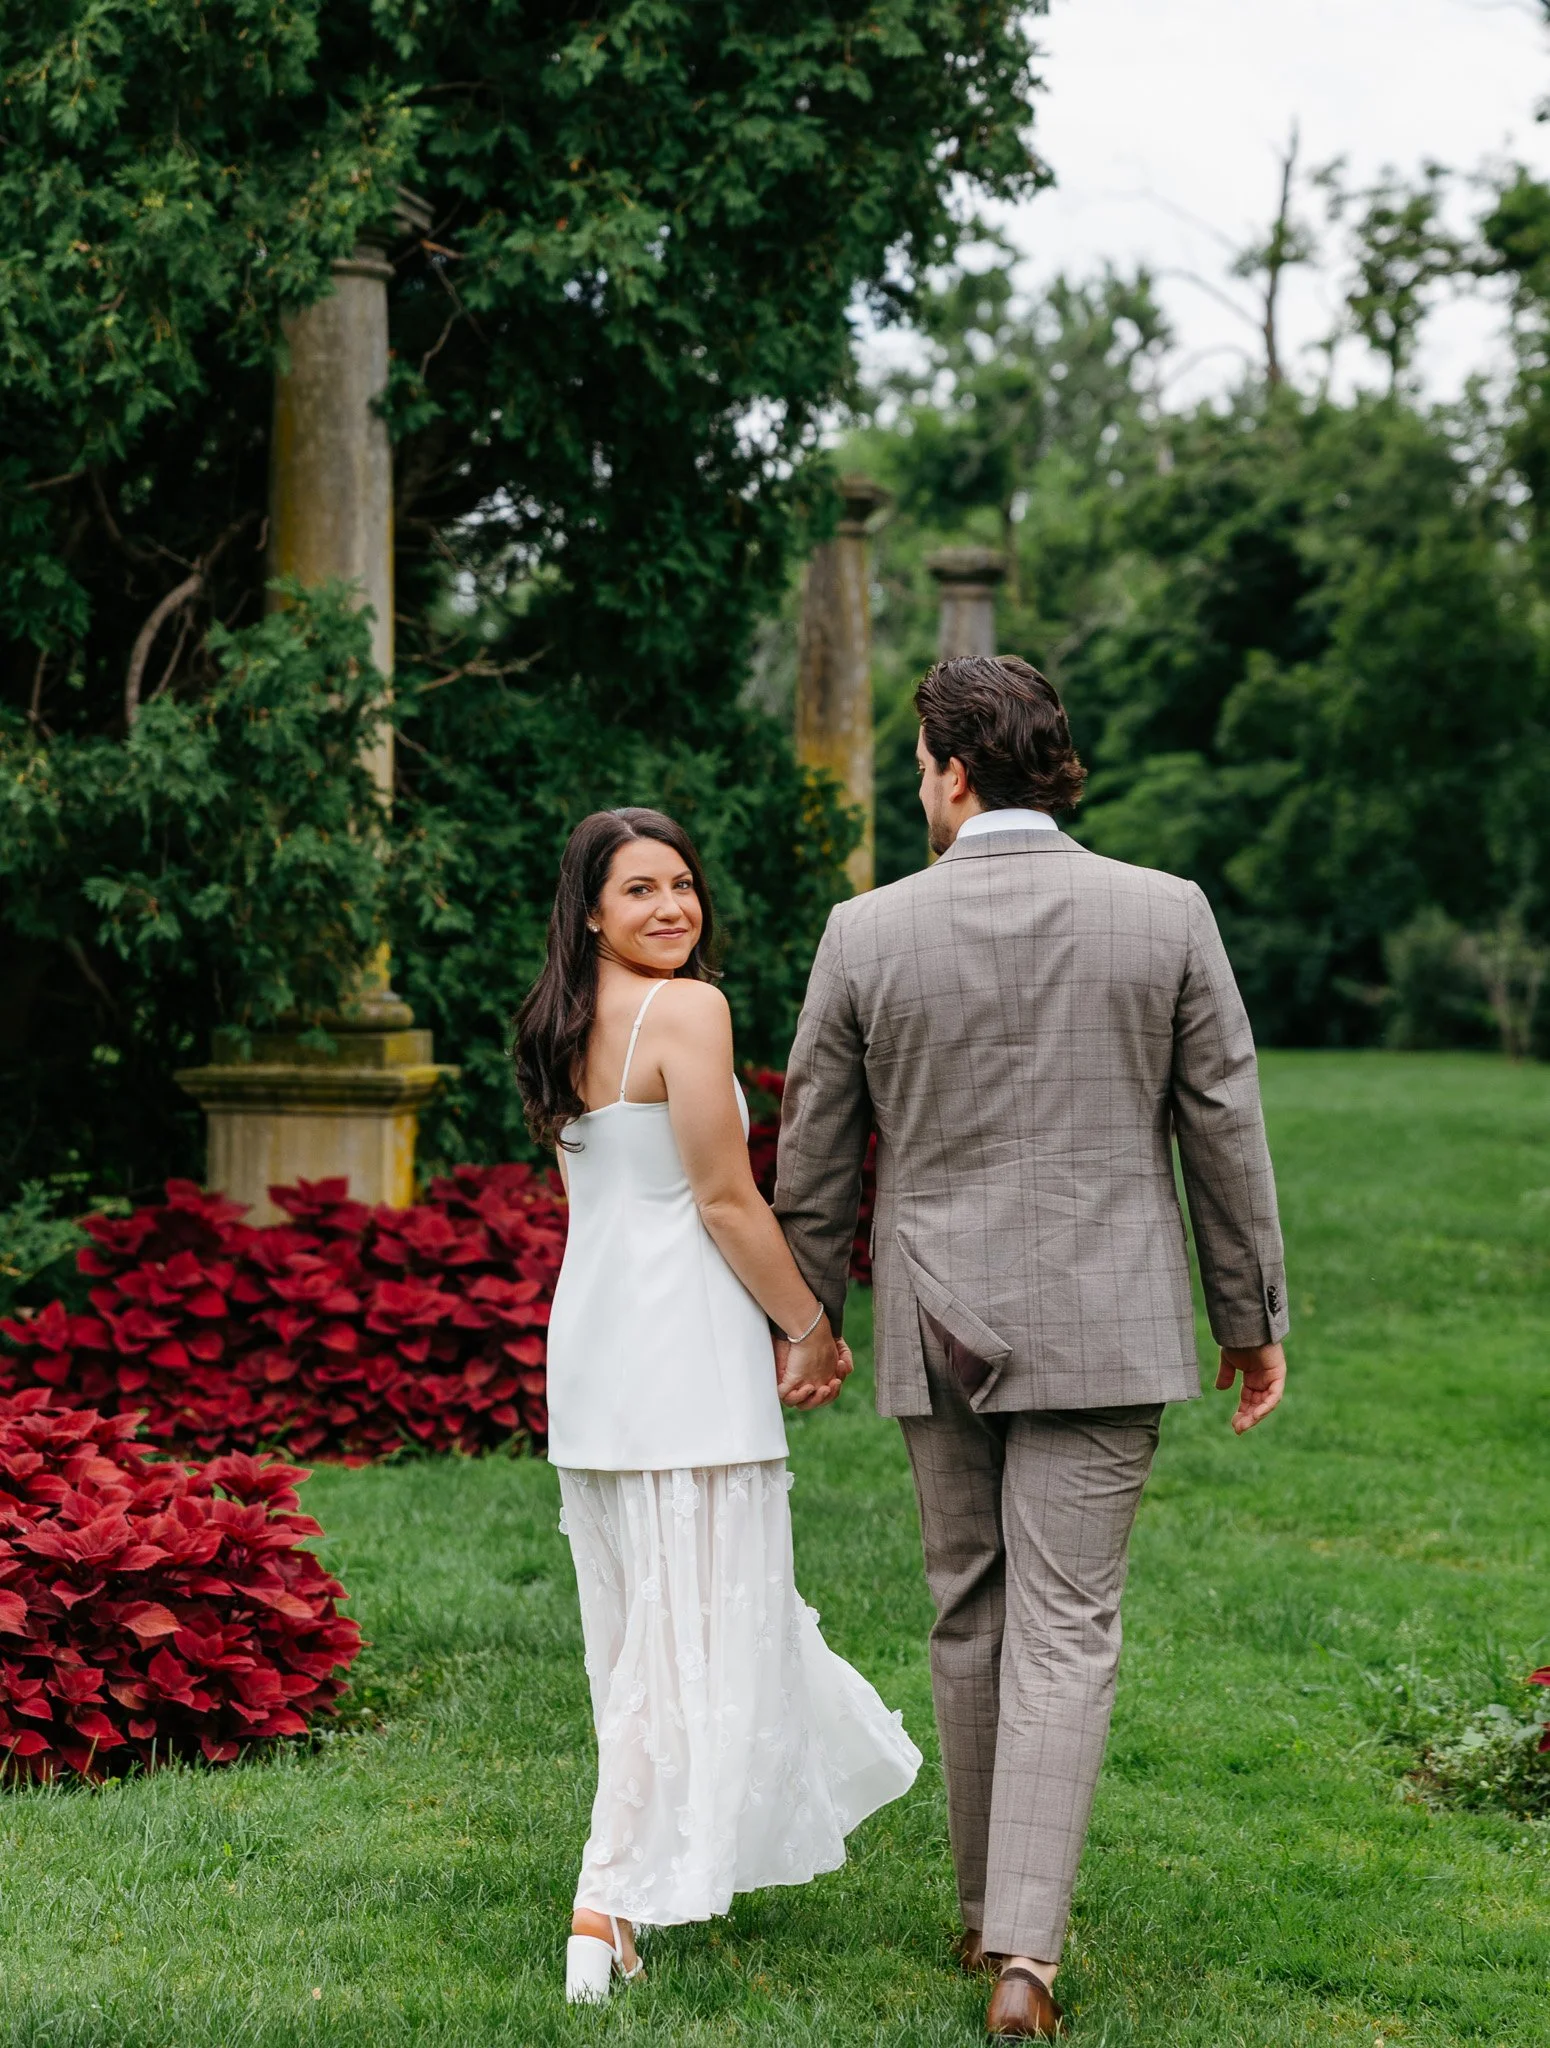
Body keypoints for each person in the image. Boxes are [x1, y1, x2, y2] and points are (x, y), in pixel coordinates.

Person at [774, 655, 1288, 2041]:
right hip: (1111, 1319)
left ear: (948, 770)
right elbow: (1221, 1130)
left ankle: (983, 1913)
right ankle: (1025, 1960)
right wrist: (1249, 1320)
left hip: (936, 1321)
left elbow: (816, 1153)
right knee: (1066, 1630)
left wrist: (806, 1319)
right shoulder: (1163, 913)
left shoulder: (865, 931)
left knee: (968, 1607)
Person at [515, 806, 921, 2007]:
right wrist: (806, 1321)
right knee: (678, 1640)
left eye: (683, 884)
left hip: (591, 1351)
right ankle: (601, 1901)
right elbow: (726, 1200)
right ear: (589, 906)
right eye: (638, 889)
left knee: (641, 1636)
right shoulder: (686, 1009)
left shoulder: (558, 1020)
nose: (670, 908)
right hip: (683, 1353)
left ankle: (625, 1900)